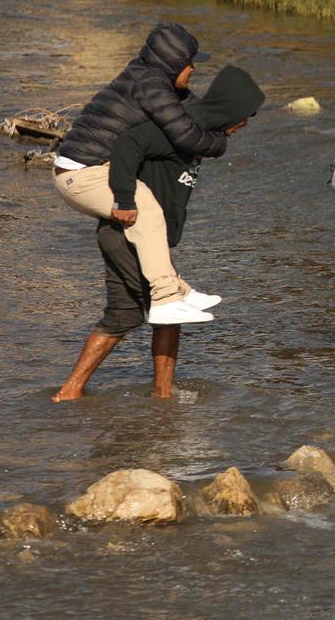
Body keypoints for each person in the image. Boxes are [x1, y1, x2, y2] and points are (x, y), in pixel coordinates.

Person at [51, 65, 265, 402]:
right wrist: (123, 199)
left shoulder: (198, 132)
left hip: (147, 237)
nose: (245, 124)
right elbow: (127, 145)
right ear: (229, 109)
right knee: (126, 313)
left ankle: (162, 395)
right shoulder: (177, 126)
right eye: (245, 115)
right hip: (126, 232)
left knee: (169, 312)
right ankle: (69, 392)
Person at [53, 22, 227, 326]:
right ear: (172, 64)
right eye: (189, 64)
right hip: (81, 173)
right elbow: (185, 134)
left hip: (86, 168)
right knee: (144, 208)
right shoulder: (152, 86)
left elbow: (193, 109)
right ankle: (165, 300)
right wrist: (220, 142)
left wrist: (228, 113)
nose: (193, 69)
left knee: (147, 213)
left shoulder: (151, 78)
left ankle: (178, 291)